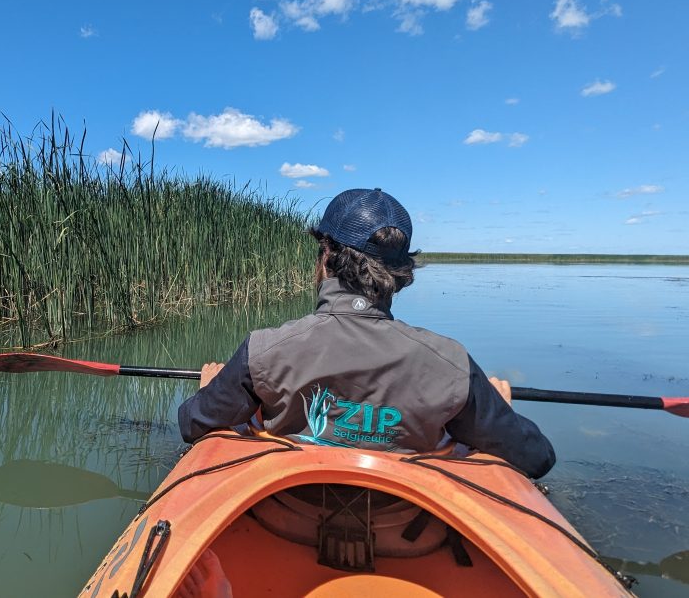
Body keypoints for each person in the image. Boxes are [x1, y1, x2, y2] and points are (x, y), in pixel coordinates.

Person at [177, 187, 555, 479]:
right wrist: (499, 409)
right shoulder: (451, 364)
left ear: (326, 259)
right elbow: (537, 457)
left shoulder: (263, 350)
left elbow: (192, 423)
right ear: (401, 274)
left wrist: (209, 389)